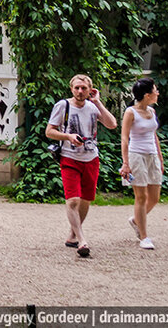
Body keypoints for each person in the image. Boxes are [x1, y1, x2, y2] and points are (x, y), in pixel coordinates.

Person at [45, 73, 117, 258]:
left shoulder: (93, 107)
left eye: (83, 88)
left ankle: (72, 235)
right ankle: (82, 240)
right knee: (73, 200)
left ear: (90, 90)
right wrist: (68, 137)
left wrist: (98, 102)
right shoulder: (63, 105)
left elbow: (112, 124)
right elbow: (50, 131)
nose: (79, 91)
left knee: (86, 200)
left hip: (91, 158)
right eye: (76, 88)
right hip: (69, 157)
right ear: (71, 88)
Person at [120, 77, 164, 250]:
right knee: (141, 196)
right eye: (155, 90)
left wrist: (160, 158)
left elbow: (154, 135)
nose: (157, 92)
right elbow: (124, 138)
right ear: (147, 95)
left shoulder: (152, 112)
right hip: (136, 155)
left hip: (151, 155)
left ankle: (136, 220)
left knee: (154, 197)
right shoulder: (130, 112)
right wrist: (125, 163)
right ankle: (144, 236)